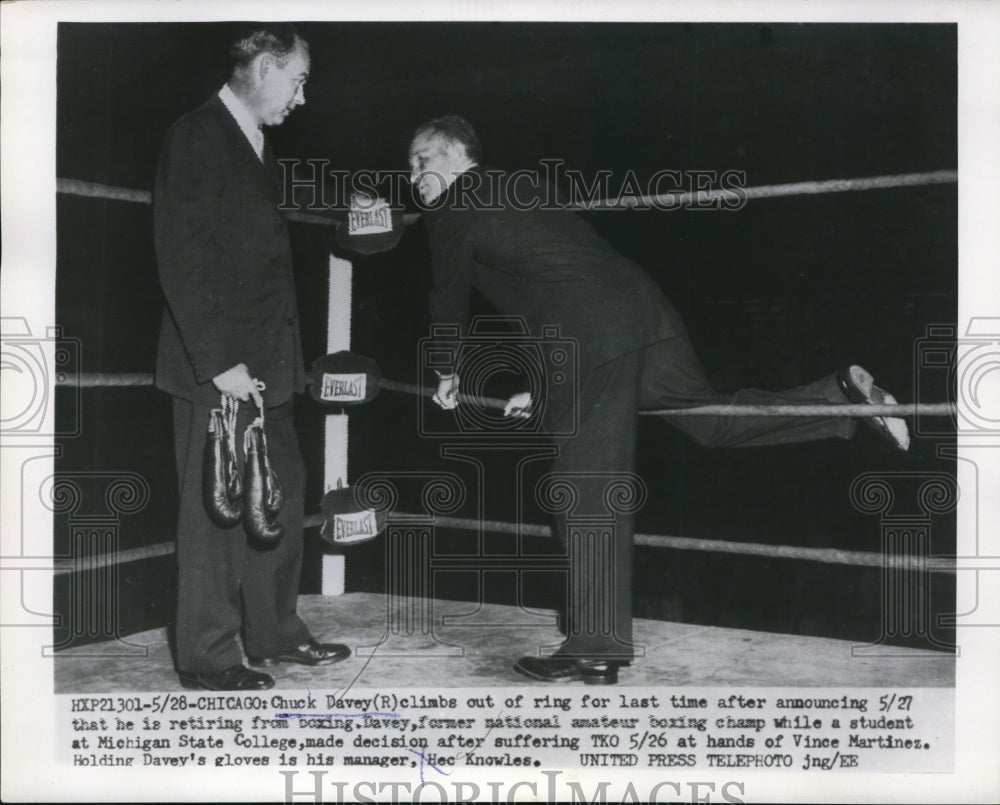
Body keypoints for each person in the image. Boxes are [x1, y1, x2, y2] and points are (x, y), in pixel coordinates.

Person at [408, 114, 910, 685]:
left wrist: (447, 369)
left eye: (422, 160)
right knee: (711, 422)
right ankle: (838, 396)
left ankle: (594, 647)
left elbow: (447, 295)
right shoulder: (522, 188)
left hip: (596, 336)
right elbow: (555, 278)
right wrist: (549, 384)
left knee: (585, 490)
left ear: (455, 154)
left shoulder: (451, 205)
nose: (413, 174)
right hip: (643, 312)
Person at [154, 24, 350, 691]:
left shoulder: (254, 143)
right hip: (223, 366)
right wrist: (217, 362)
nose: (302, 97)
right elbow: (181, 255)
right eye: (296, 80)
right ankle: (208, 657)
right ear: (264, 68)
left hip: (269, 362)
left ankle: (274, 632)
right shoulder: (197, 134)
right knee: (215, 510)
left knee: (282, 494)